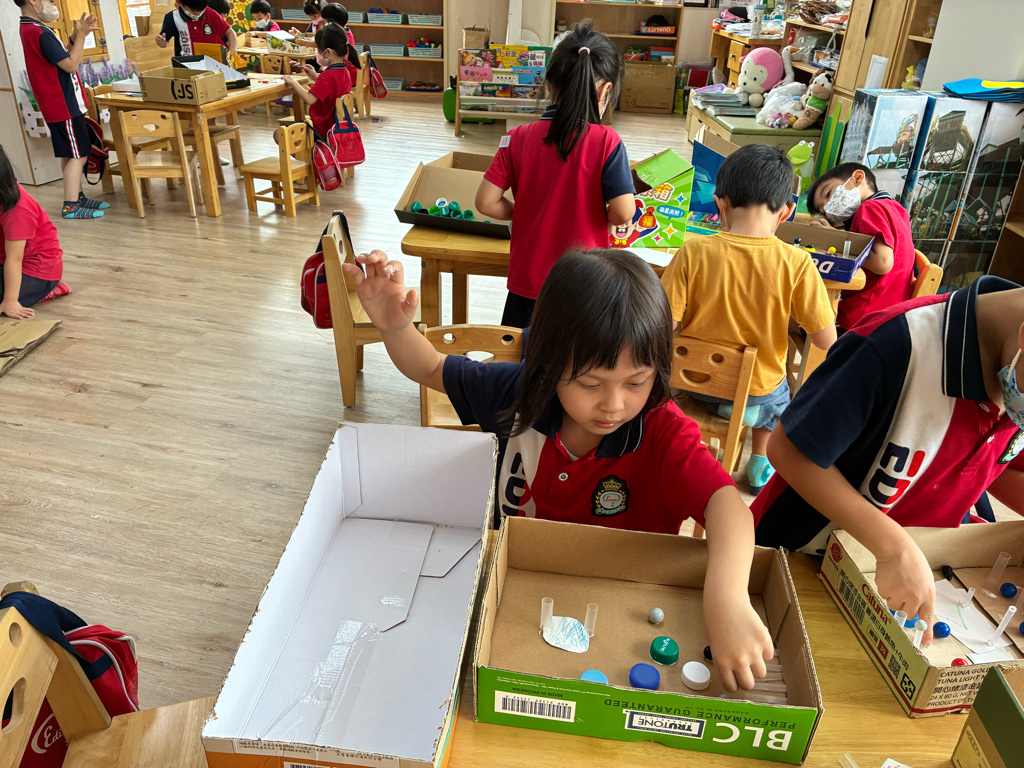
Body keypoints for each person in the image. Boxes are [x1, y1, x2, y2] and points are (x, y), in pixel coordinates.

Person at [340, 246, 776, 691]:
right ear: (549, 365)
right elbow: (432, 367)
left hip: (623, 609)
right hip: (515, 593)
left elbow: (728, 506)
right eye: (590, 383)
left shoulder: (662, 430)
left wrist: (727, 599)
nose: (613, 404)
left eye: (636, 382)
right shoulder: (518, 393)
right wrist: (395, 326)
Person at [753, 276, 1024, 645]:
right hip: (801, 560)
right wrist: (892, 546)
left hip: (908, 580)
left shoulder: (1013, 376)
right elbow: (789, 449)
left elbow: (999, 465)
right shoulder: (896, 345)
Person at [660, 145, 837, 493]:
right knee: (783, 397)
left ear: (720, 204)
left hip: (693, 383)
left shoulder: (693, 250)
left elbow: (664, 323)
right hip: (758, 391)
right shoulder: (797, 262)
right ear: (787, 211)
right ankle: (758, 464)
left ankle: (719, 421)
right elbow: (825, 341)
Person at [474, 22, 635, 328]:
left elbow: (485, 202)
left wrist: (524, 211)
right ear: (606, 91)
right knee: (576, 355)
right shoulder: (607, 141)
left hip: (528, 281)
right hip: (586, 282)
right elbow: (623, 211)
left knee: (523, 352)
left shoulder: (517, 137)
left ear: (548, 86)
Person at [16, 0, 107, 219]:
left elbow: (60, 57)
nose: (53, 3)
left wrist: (75, 38)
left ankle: (76, 196)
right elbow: (71, 65)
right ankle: (71, 205)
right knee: (79, 154)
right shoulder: (39, 32)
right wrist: (82, 37)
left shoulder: (31, 28)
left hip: (58, 103)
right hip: (63, 103)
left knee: (70, 152)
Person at [806, 162, 916, 331]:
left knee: (799, 314)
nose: (828, 207)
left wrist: (832, 237)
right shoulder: (895, 207)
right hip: (889, 311)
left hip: (863, 317)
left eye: (828, 194)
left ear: (857, 178)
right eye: (823, 210)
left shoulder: (868, 208)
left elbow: (883, 262)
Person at [0, 144, 71, 319]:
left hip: (33, 270)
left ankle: (46, 289)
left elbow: (15, 258)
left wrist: (10, 301)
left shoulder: (17, 209)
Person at [282, 25, 352, 141]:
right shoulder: (345, 71)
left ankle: (313, 151)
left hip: (321, 130)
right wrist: (316, 77)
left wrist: (294, 82)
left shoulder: (327, 75)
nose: (317, 53)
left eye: (318, 50)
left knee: (279, 134)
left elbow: (309, 99)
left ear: (328, 52)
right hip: (337, 127)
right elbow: (331, 88)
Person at [156, 0, 238, 57]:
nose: (197, 13)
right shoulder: (172, 17)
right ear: (181, 3)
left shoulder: (210, 13)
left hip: (212, 63)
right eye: (193, 11)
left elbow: (230, 33)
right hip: (186, 65)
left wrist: (233, 51)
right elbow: (165, 42)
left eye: (200, 10)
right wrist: (162, 42)